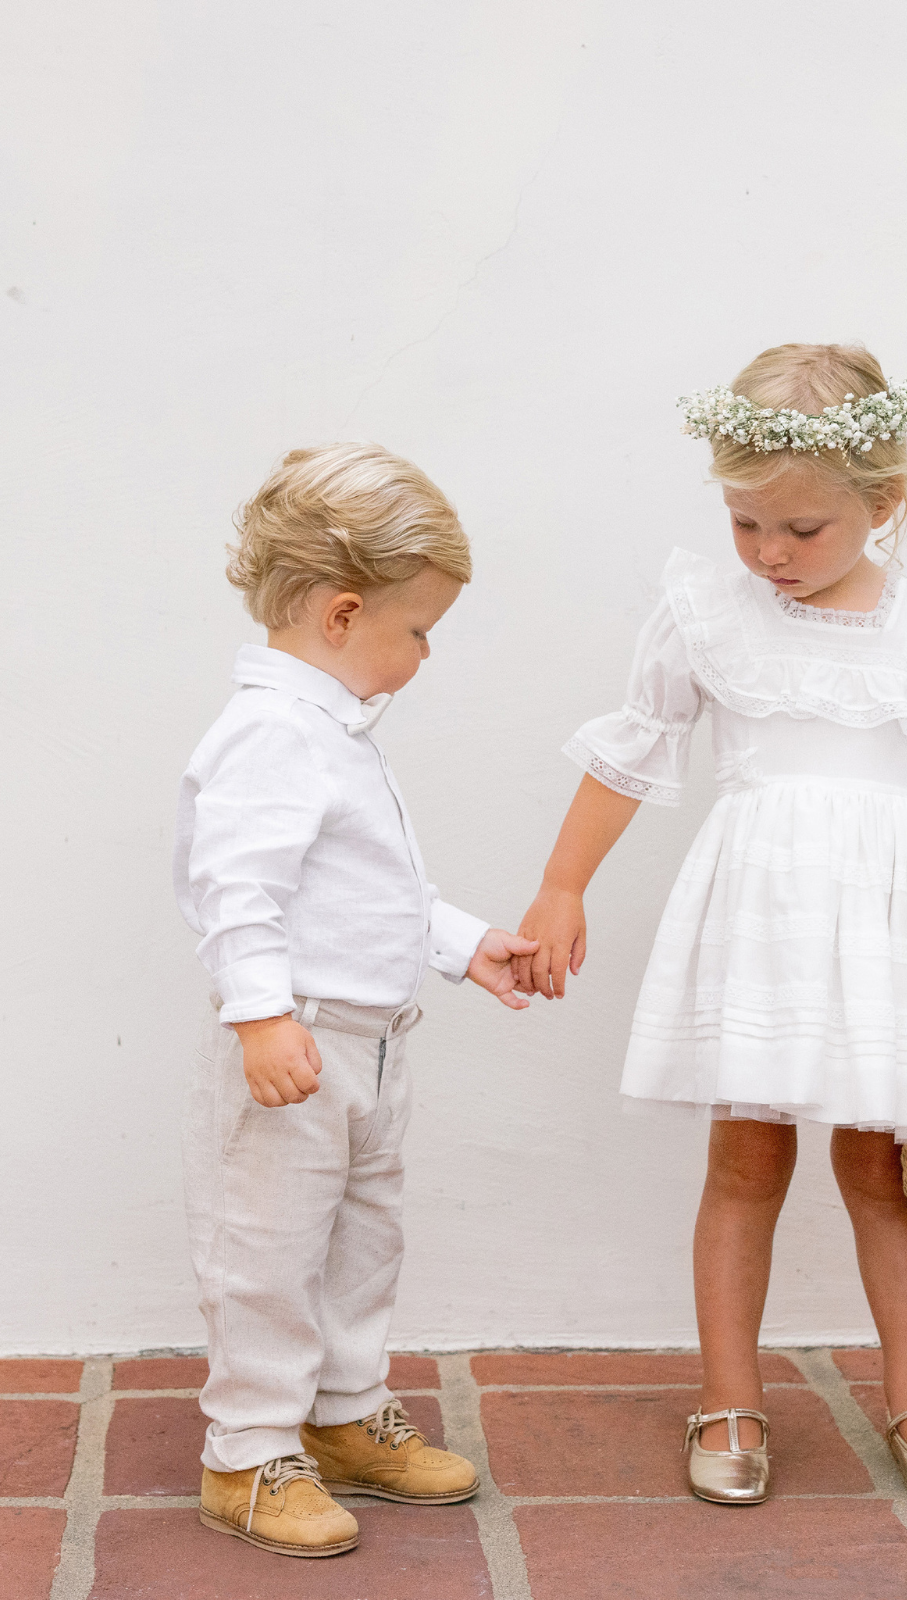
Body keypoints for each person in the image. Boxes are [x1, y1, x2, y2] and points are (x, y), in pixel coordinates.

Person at [515, 344, 907, 1506]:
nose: (769, 554)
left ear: (882, 503)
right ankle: (730, 1396)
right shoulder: (709, 615)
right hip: (758, 917)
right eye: (747, 525)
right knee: (743, 1161)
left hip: (885, 933)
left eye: (801, 528)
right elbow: (633, 751)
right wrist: (562, 884)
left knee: (880, 1170)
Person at [175, 443, 537, 1557]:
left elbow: (377, 890)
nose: (424, 652)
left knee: (359, 1242)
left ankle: (338, 1416)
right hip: (299, 1048)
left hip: (371, 1046)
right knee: (268, 1247)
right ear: (340, 614)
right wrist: (260, 1015)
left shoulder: (329, 735)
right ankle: (245, 1451)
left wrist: (465, 941)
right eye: (418, 629)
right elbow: (236, 886)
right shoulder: (271, 735)